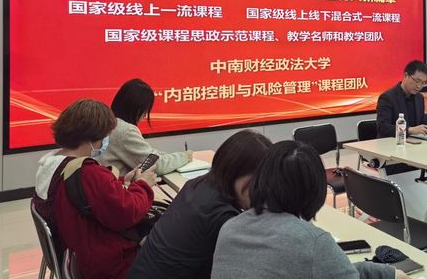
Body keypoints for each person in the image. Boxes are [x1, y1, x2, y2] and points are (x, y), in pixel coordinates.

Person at [211, 141, 407, 279]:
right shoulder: (314, 242)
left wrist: (385, 273)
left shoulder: (230, 227)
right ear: (315, 190)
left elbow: (333, 271)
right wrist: (391, 274)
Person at [34, 99, 157, 279]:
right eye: (105, 136)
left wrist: (122, 182)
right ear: (90, 137)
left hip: (76, 254)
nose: (106, 141)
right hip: (108, 263)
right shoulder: (88, 172)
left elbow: (91, 194)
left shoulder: (51, 163)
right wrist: (143, 185)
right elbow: (128, 212)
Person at [127, 129, 272, 279]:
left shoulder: (197, 184)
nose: (259, 192)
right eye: (254, 183)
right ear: (235, 172)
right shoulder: (222, 217)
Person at [99, 78, 192, 175]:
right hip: (120, 183)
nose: (145, 115)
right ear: (135, 107)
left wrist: (169, 156)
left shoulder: (110, 123)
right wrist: (185, 156)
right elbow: (156, 166)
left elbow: (150, 154)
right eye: (145, 109)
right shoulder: (125, 131)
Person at [376, 60, 427, 139]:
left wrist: (425, 130)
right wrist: (409, 130)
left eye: (423, 83)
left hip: (413, 142)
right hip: (391, 143)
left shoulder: (419, 97)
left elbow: (421, 122)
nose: (419, 86)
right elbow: (383, 127)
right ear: (406, 75)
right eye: (417, 81)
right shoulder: (387, 97)